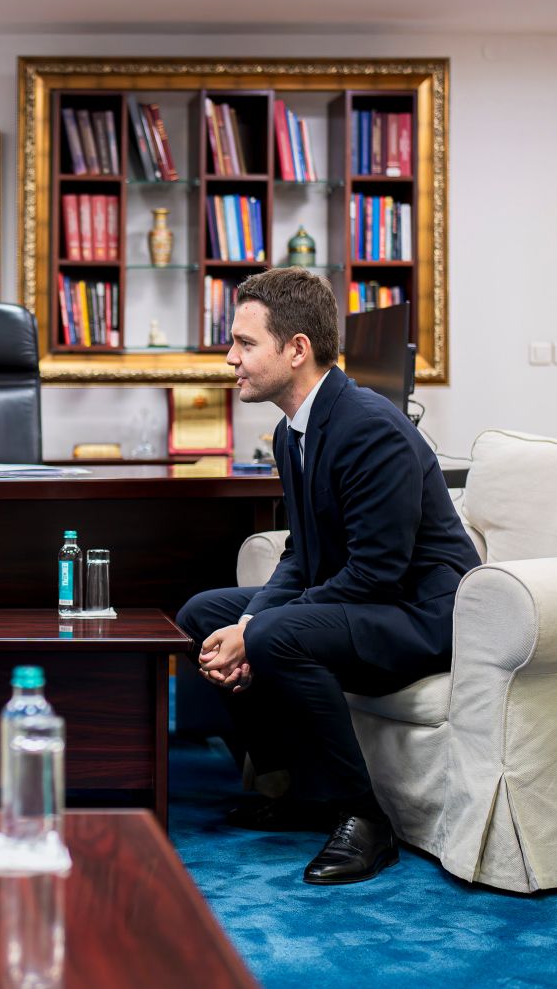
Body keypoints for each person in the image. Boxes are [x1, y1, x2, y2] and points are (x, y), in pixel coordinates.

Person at [177, 268, 478, 884]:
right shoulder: (295, 432)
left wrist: (259, 627)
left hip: (422, 614)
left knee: (268, 634)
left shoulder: (368, 428)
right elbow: (300, 555)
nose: (230, 357)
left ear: (296, 349)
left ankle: (364, 819)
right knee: (205, 614)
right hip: (371, 602)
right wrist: (245, 619)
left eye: (244, 343)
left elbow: (375, 574)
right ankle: (293, 789)